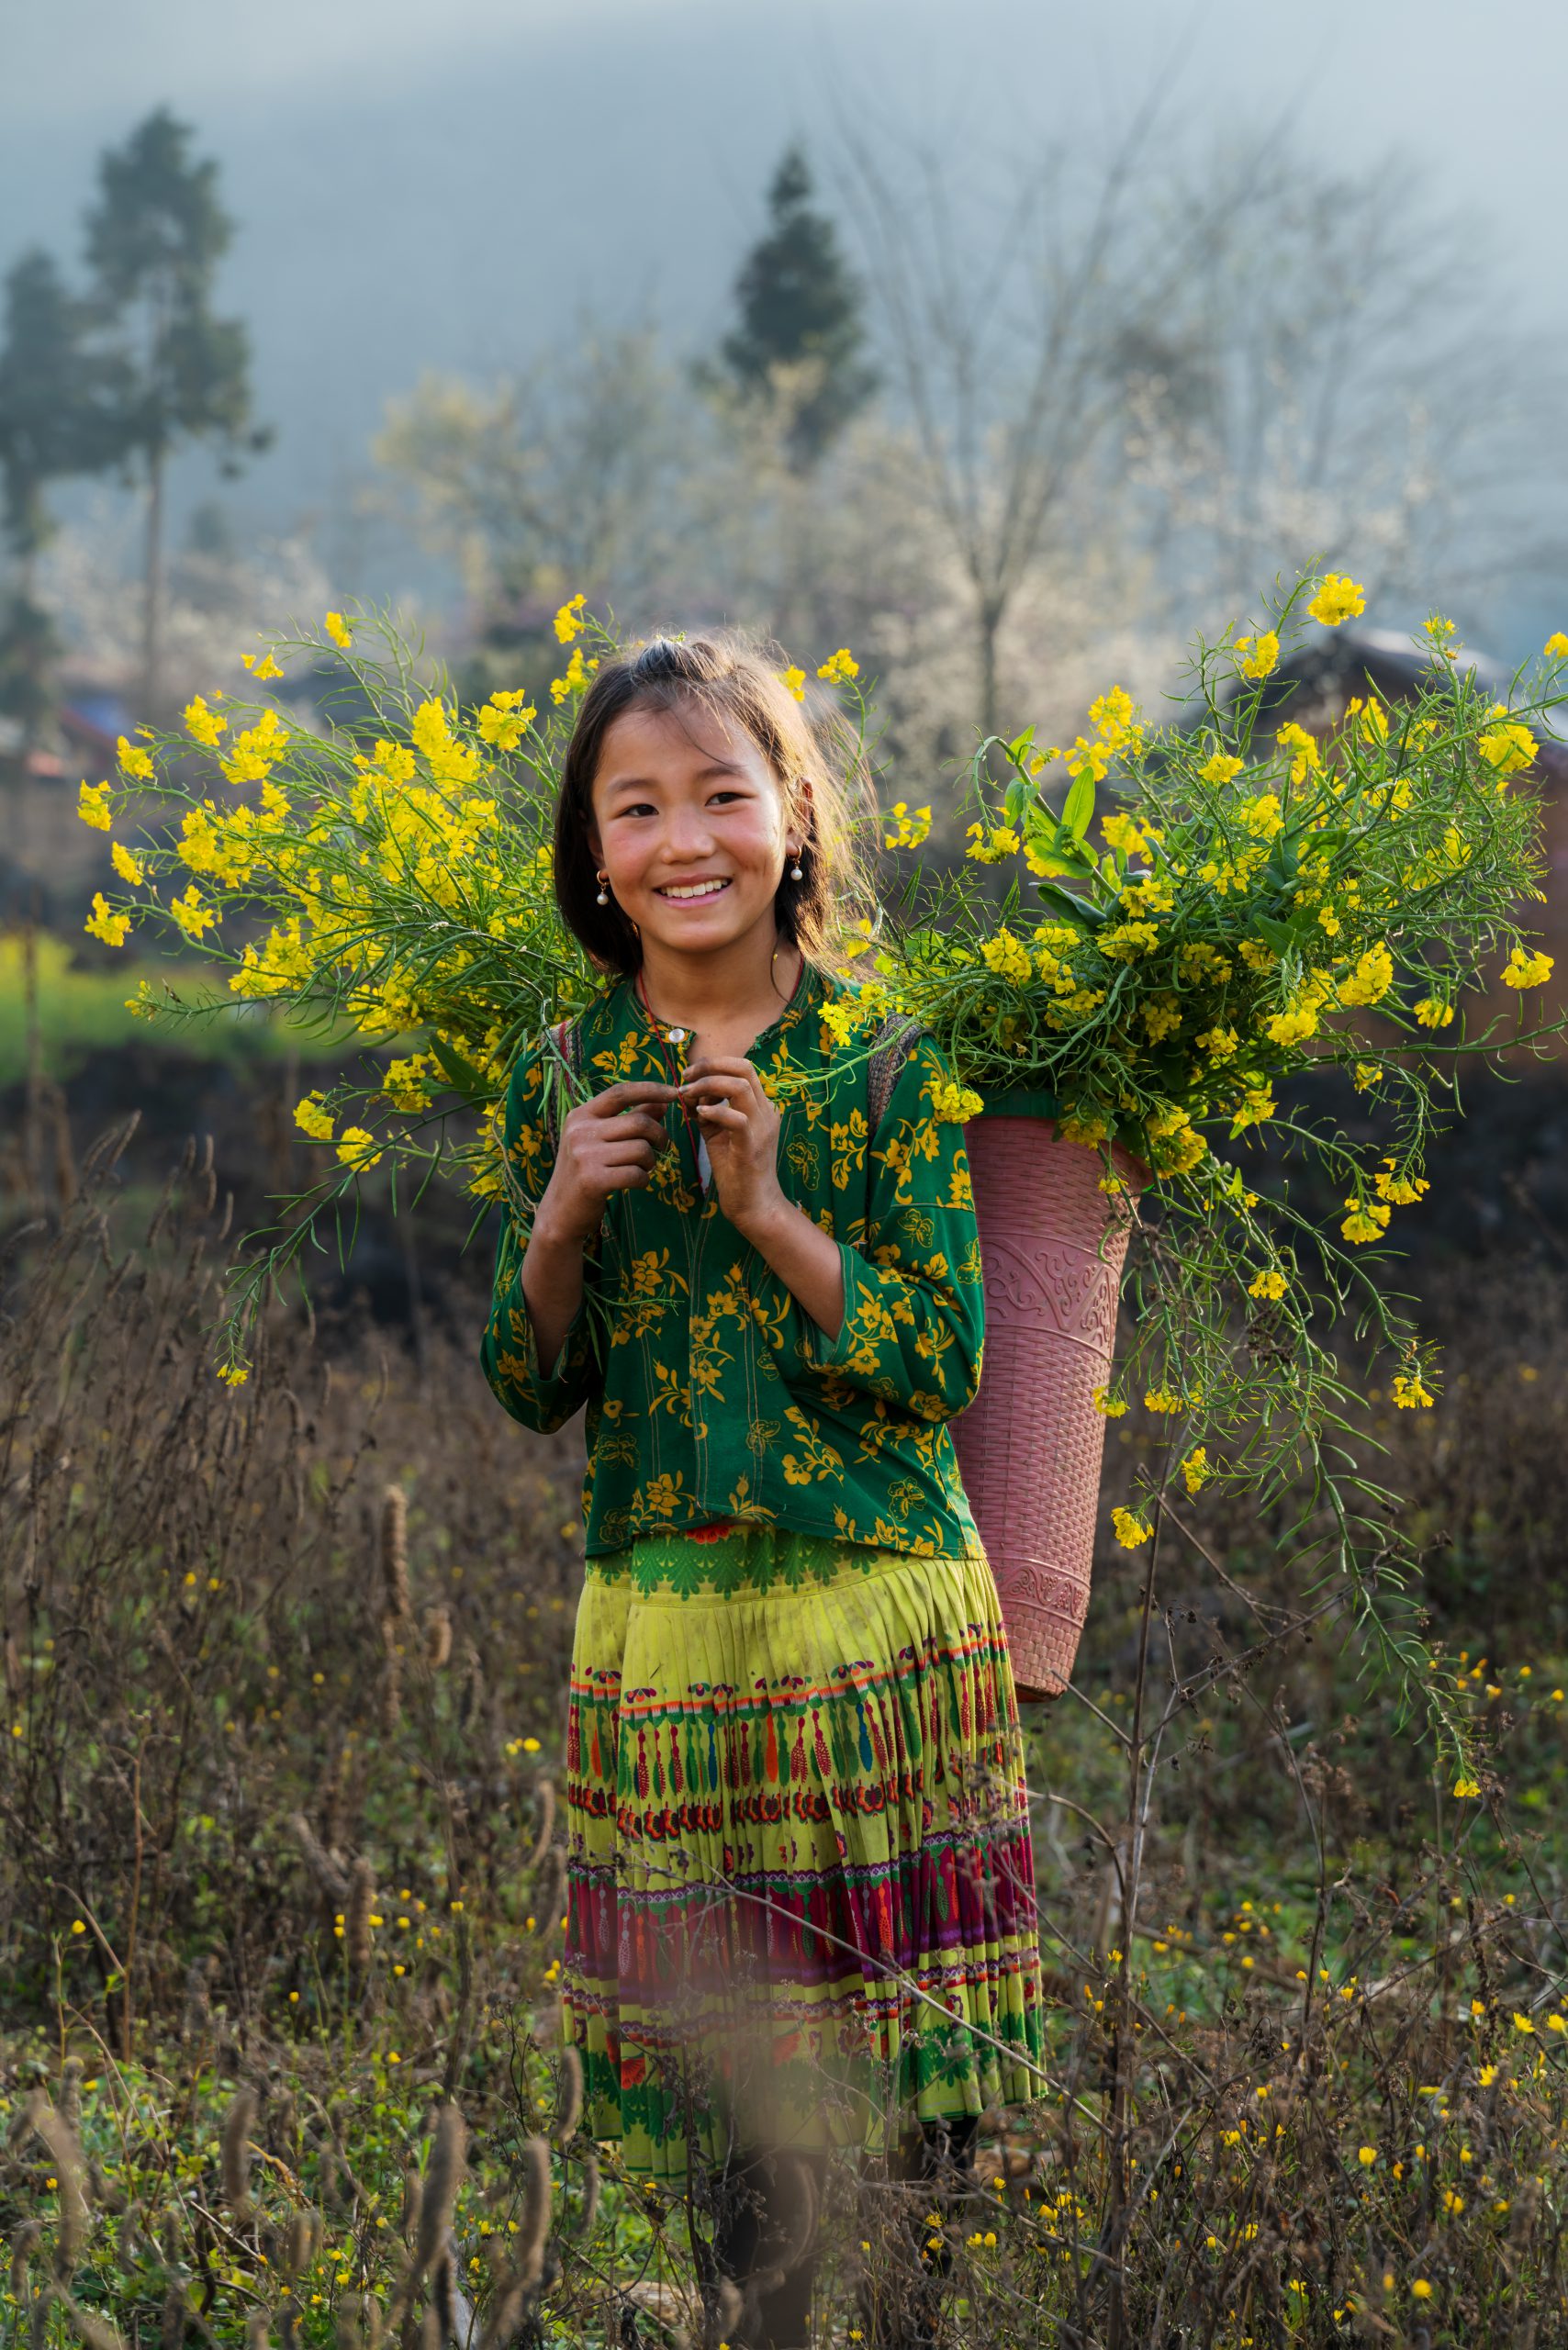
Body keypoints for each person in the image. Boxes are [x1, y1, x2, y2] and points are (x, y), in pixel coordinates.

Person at [481, 632, 1045, 2348]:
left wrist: (770, 1209)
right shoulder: (562, 1073)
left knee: (911, 2048)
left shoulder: (883, 1058)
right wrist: (563, 1218)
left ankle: (933, 2318)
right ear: (595, 855)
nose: (685, 840)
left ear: (795, 817)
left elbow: (936, 1360)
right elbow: (531, 1387)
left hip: (875, 1606)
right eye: (636, 806)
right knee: (733, 2057)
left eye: (724, 792)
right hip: (665, 1622)